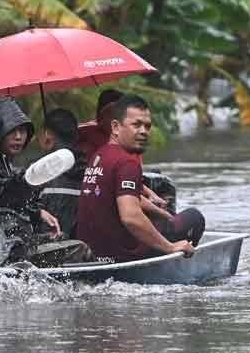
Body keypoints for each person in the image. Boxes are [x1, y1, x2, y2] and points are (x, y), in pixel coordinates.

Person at [0, 97, 90, 267]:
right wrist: (28, 182)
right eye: (12, 131)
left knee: (61, 238)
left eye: (22, 131)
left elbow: (11, 201)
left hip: (7, 247)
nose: (19, 137)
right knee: (79, 249)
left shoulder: (6, 164)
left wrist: (37, 212)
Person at [77, 95, 205, 263]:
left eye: (147, 126)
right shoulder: (127, 162)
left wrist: (164, 215)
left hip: (93, 254)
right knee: (193, 216)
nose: (144, 131)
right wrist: (170, 247)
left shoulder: (98, 155)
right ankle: (180, 259)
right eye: (136, 125)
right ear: (115, 127)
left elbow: (128, 199)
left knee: (162, 220)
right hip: (122, 255)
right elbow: (130, 216)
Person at [77, 88, 172, 223]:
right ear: (105, 117)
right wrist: (164, 216)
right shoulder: (95, 147)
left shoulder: (122, 146)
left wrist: (150, 194)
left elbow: (126, 181)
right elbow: (127, 205)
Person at [35, 107, 85, 239]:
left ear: (48, 135)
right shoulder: (89, 171)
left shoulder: (39, 175)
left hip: (49, 250)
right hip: (83, 250)